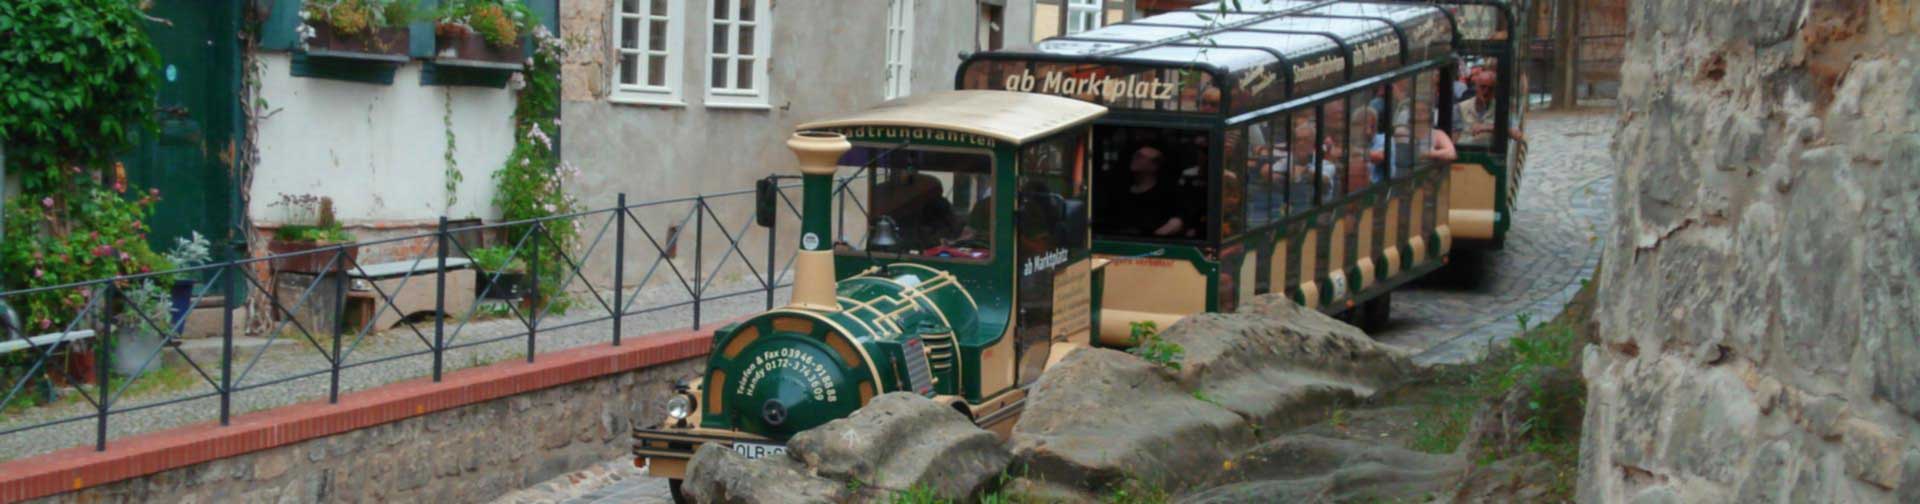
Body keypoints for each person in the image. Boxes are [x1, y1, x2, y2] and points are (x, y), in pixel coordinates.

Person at [1108, 146, 1185, 237]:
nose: (1134, 158)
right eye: (1134, 155)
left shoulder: (1168, 196)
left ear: (1154, 166)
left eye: (1140, 156)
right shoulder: (1119, 192)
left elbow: (1176, 223)